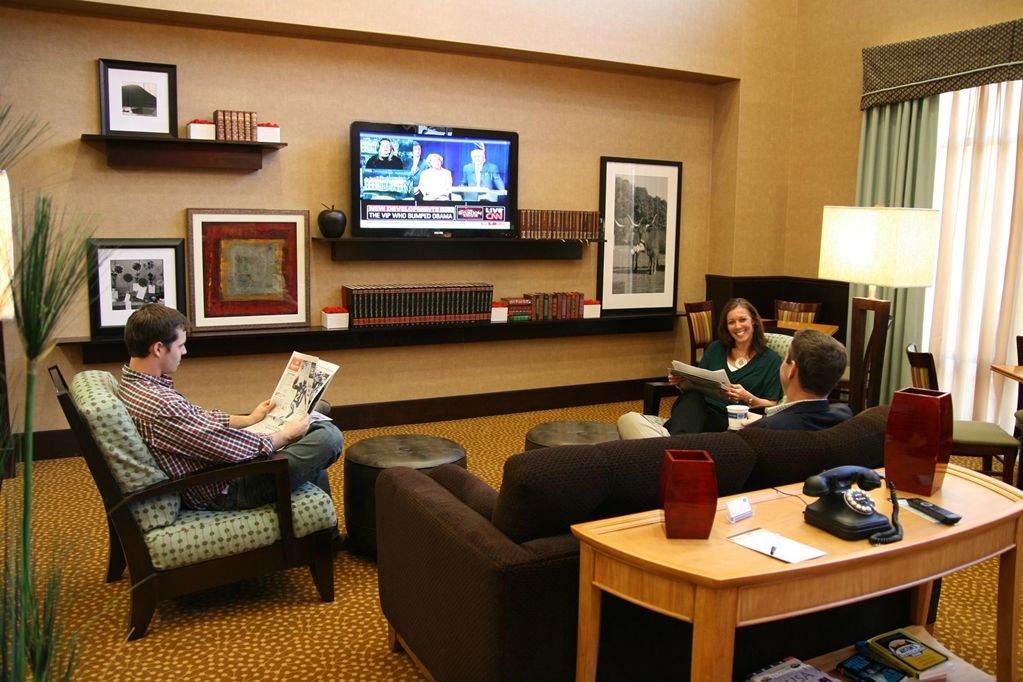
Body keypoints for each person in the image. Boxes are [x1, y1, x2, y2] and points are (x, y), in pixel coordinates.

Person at [118, 303, 344, 512]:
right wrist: (283, 436)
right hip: (226, 486)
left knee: (313, 417)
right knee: (329, 437)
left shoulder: (139, 387)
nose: (184, 352)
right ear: (158, 348)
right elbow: (221, 445)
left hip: (218, 467)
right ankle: (326, 537)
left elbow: (197, 420)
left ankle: (325, 537)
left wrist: (250, 419)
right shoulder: (161, 405)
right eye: (180, 345)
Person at [618, 298, 783, 437]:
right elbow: (699, 382)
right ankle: (677, 448)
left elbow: (771, 404)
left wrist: (747, 397)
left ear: (753, 321)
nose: (737, 326)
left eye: (742, 320)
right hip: (699, 411)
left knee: (682, 420)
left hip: (732, 420)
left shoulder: (771, 360)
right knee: (691, 398)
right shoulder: (716, 349)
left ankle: (670, 445)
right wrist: (681, 381)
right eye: (731, 322)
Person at [744, 329, 851, 430]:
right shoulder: (844, 415)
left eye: (785, 359)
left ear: (792, 369)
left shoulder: (761, 429)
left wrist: (763, 422)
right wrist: (765, 419)